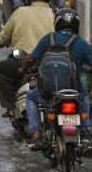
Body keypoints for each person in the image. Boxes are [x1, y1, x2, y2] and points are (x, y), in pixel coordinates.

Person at [24, 8, 92, 145]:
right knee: (84, 96)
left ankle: (36, 133)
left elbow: (31, 59)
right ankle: (85, 131)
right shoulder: (81, 43)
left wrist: (23, 69)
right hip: (74, 89)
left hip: (48, 90)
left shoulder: (48, 39)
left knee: (31, 97)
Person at [0, 0, 56, 118]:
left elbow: (3, 37)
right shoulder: (54, 13)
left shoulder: (20, 12)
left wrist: (1, 42)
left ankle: (10, 108)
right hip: (48, 62)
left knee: (2, 68)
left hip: (22, 61)